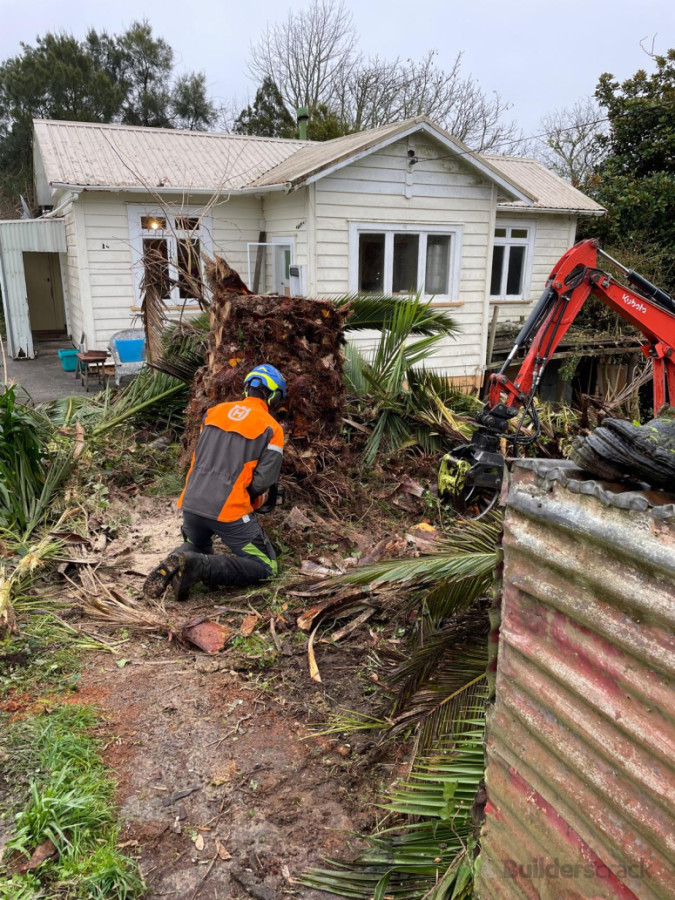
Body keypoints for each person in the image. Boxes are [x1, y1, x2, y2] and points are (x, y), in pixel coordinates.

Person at [144, 364, 286, 602]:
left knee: (198, 544)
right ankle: (201, 567)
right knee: (266, 565)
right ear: (273, 395)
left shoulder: (213, 413)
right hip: (227, 511)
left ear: (246, 388)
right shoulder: (271, 428)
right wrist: (250, 498)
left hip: (191, 502)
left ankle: (178, 560)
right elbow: (263, 480)